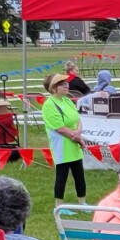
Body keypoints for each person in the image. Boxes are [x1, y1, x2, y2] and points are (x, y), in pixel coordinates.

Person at [41, 72, 88, 204]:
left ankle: (82, 202)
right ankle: (59, 205)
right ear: (53, 88)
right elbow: (60, 128)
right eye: (62, 84)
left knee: (79, 175)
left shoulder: (67, 100)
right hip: (62, 145)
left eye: (66, 83)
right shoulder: (49, 105)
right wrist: (77, 138)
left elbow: (77, 118)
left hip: (73, 143)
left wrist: (78, 132)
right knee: (62, 176)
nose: (67, 86)